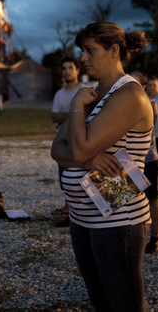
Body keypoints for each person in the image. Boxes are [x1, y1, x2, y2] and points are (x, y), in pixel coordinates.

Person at [51, 21, 153, 312]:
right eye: (82, 50)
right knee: (101, 302)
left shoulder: (129, 95)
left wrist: (75, 106)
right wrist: (90, 157)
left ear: (114, 51)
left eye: (90, 50)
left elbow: (77, 147)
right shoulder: (95, 94)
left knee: (124, 304)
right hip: (84, 219)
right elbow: (56, 149)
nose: (83, 58)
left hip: (119, 221)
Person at [132, 71, 158, 255]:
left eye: (133, 82)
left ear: (143, 87)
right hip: (128, 161)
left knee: (152, 197)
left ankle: (156, 237)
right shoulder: (122, 103)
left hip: (148, 159)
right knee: (129, 198)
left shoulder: (150, 104)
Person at [51, 57, 85, 226]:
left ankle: (79, 212)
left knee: (79, 173)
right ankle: (68, 207)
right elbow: (53, 116)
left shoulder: (84, 90)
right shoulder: (59, 94)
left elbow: (86, 115)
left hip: (78, 138)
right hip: (62, 139)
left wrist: (70, 115)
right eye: (64, 68)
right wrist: (74, 114)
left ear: (77, 70)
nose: (67, 71)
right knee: (64, 174)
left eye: (71, 68)